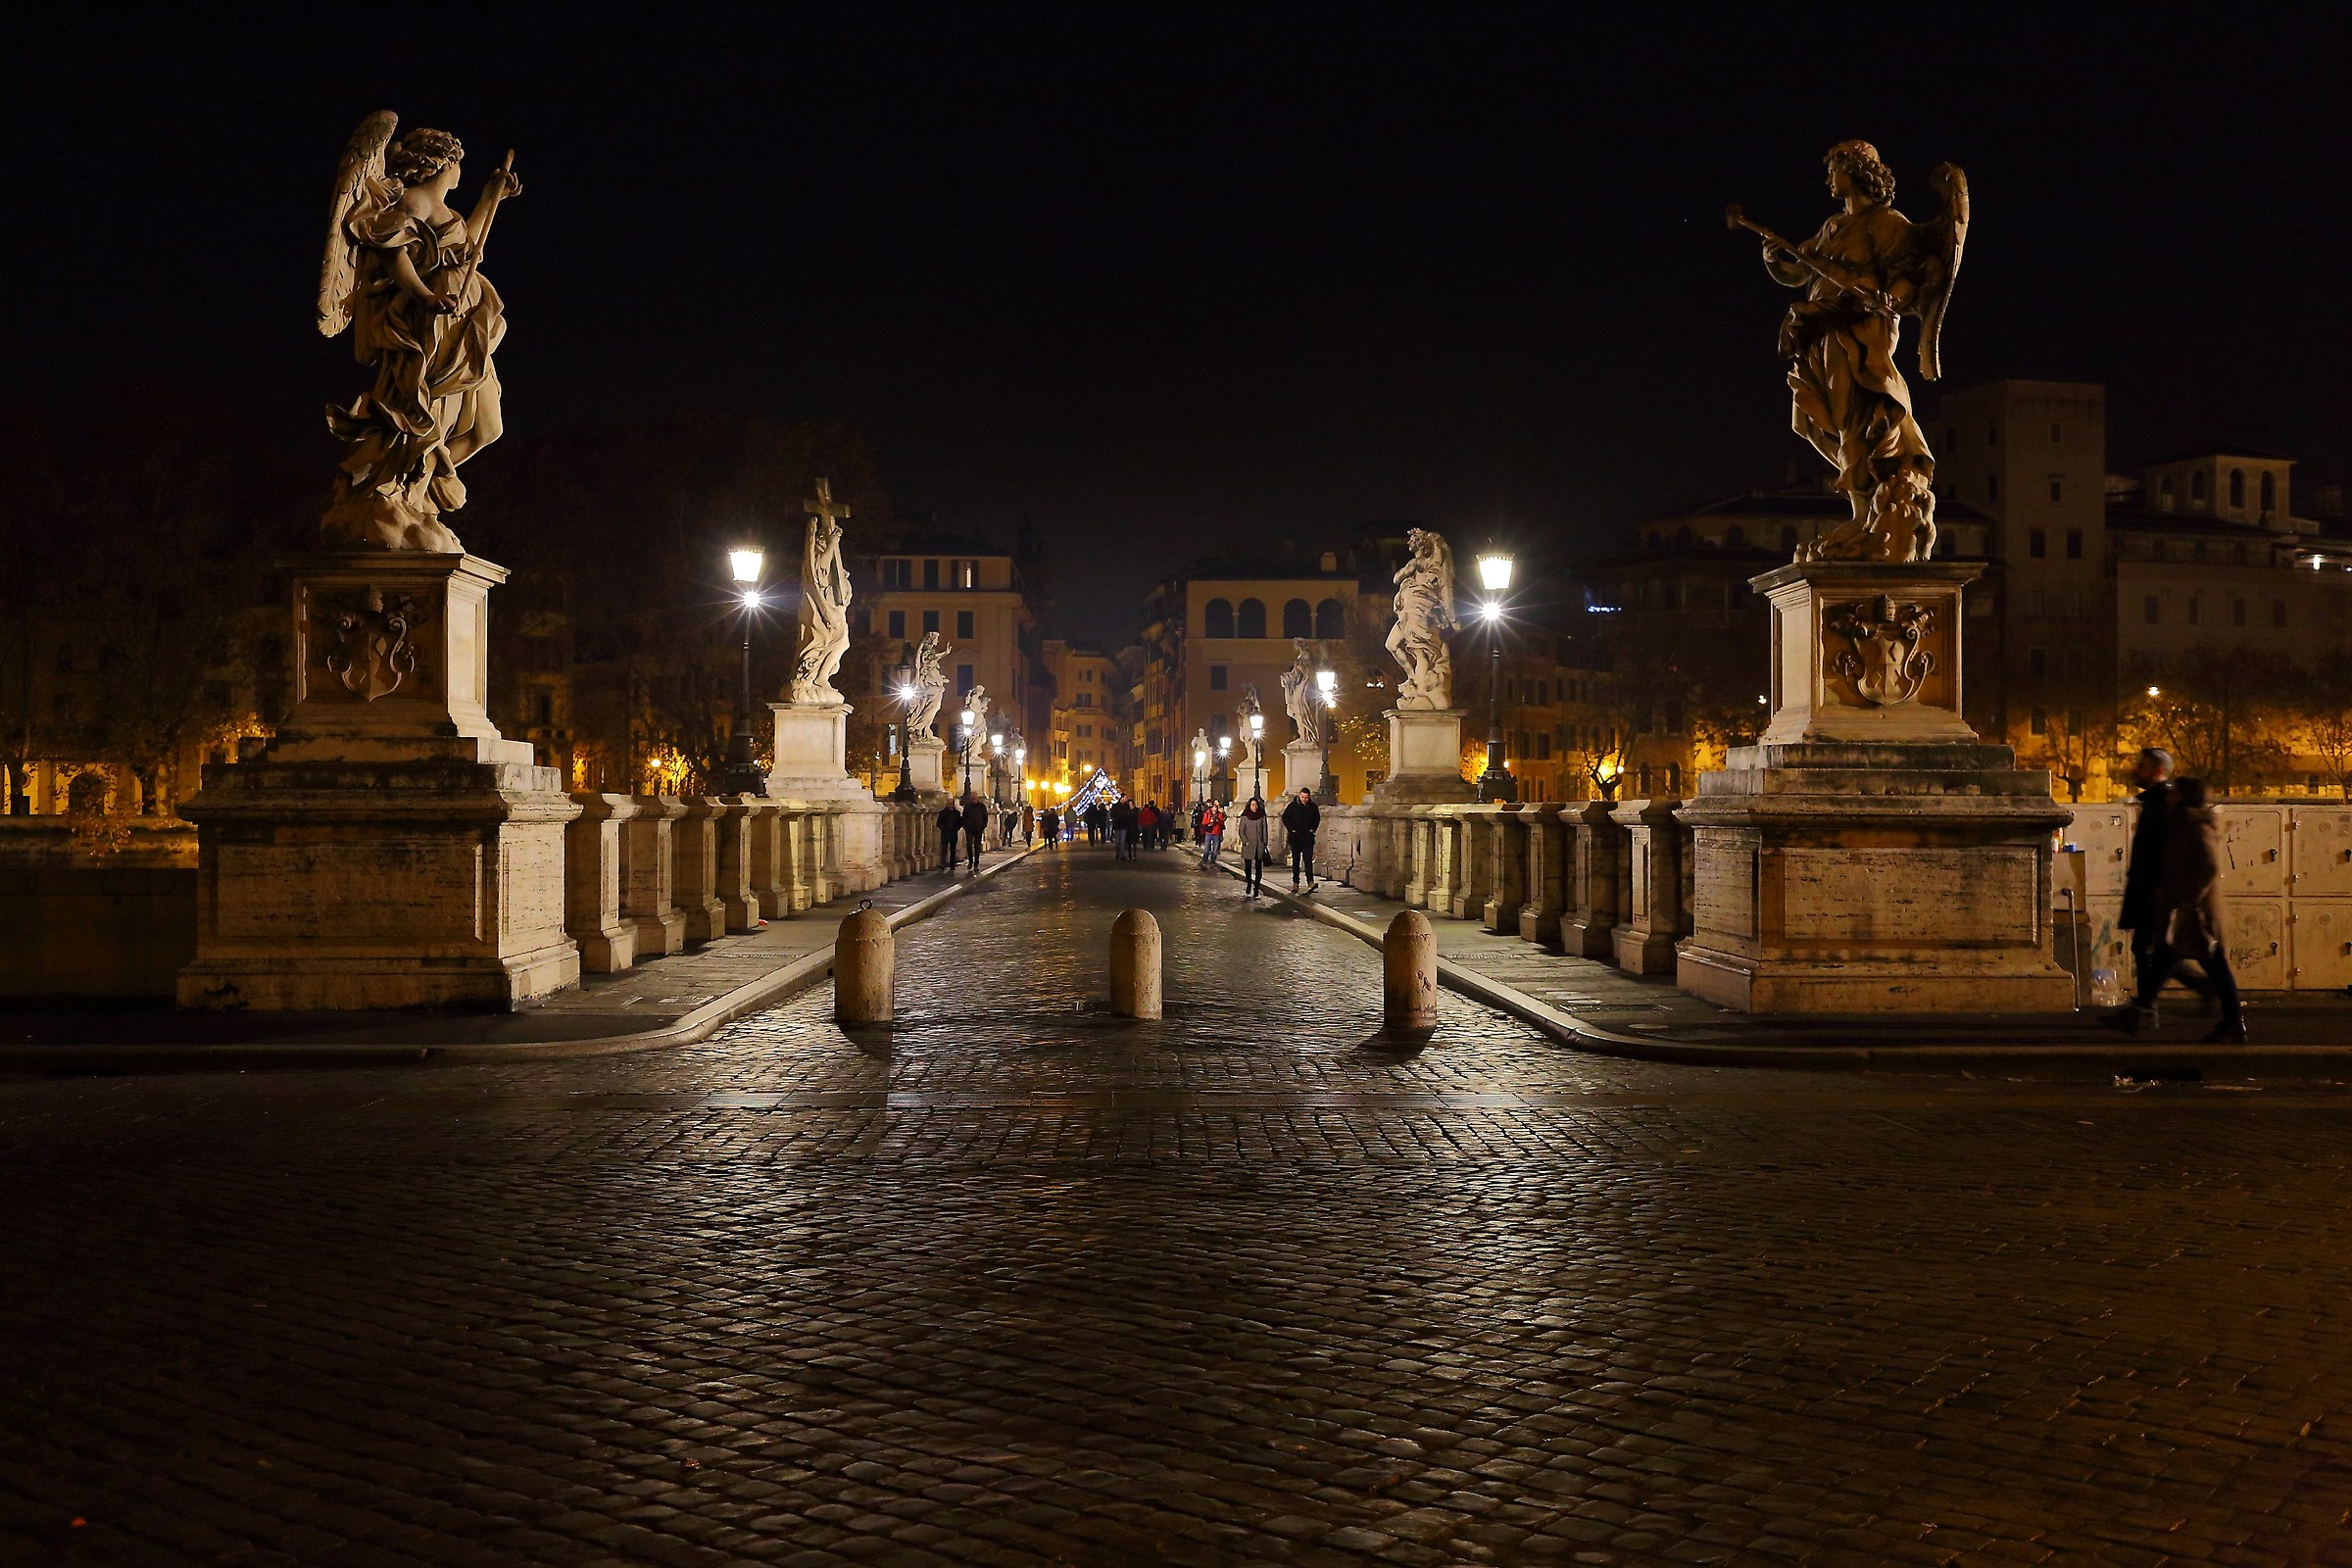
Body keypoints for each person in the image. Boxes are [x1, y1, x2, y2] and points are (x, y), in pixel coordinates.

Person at [2145, 777, 2247, 1043]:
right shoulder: (2182, 823)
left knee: (2213, 964)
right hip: (2185, 907)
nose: (2169, 797)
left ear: (2185, 795)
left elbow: (2210, 867)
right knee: (2168, 956)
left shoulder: (2196, 825)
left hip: (2197, 912)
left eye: (2174, 793)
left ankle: (2234, 1023)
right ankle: (2140, 1007)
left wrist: (2189, 898)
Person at [2106, 748, 2175, 1035]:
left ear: (2157, 770)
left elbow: (2161, 850)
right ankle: (2145, 1007)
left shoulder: (2162, 804)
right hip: (2149, 887)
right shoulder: (2156, 802)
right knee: (2148, 949)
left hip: (2153, 889)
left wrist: (2158, 886)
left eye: (2142, 766)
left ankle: (2145, 1010)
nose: (2137, 770)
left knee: (2148, 950)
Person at [1281, 787, 1322, 891]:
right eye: (1303, 797)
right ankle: (1295, 883)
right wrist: (1291, 829)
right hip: (1295, 838)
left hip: (1308, 838)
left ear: (1309, 797)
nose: (1304, 799)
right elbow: (1285, 817)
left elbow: (1317, 819)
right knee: (1296, 861)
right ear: (1299, 795)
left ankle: (1310, 882)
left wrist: (1313, 829)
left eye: (1306, 797)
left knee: (1308, 861)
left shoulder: (1313, 807)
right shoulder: (1293, 806)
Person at [1234, 796, 1269, 897]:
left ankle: (1257, 888)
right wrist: (1245, 841)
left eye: (1256, 805)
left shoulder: (1262, 815)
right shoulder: (1245, 816)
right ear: (1249, 806)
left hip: (1259, 845)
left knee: (1259, 868)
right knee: (1248, 867)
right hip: (1248, 845)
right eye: (1253, 805)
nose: (1255, 807)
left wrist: (1264, 842)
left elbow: (1265, 830)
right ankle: (1249, 883)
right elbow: (1241, 830)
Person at [960, 792, 989, 870]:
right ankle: (970, 861)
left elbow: (985, 817)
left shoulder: (982, 807)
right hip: (969, 829)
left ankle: (976, 863)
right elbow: (964, 817)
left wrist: (983, 826)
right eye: (972, 798)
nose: (973, 799)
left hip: (978, 829)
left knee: (977, 846)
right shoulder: (967, 807)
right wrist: (965, 826)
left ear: (977, 798)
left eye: (974, 798)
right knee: (969, 845)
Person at [935, 799, 962, 873]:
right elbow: (938, 823)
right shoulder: (943, 813)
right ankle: (942, 864)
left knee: (953, 849)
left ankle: (952, 864)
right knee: (944, 849)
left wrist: (956, 828)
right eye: (948, 804)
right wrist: (943, 828)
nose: (950, 805)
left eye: (951, 804)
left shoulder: (957, 813)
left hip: (953, 833)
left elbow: (960, 823)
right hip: (945, 833)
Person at [1199, 800, 1226, 869]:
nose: (1214, 809)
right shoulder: (1207, 813)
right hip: (1209, 832)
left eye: (1216, 808)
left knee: (1215, 849)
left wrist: (1218, 821)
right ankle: (1204, 860)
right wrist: (1209, 821)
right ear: (1211, 808)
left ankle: (1213, 861)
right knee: (1206, 848)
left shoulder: (1219, 814)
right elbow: (1204, 822)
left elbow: (1222, 822)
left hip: (1216, 833)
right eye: (1213, 807)